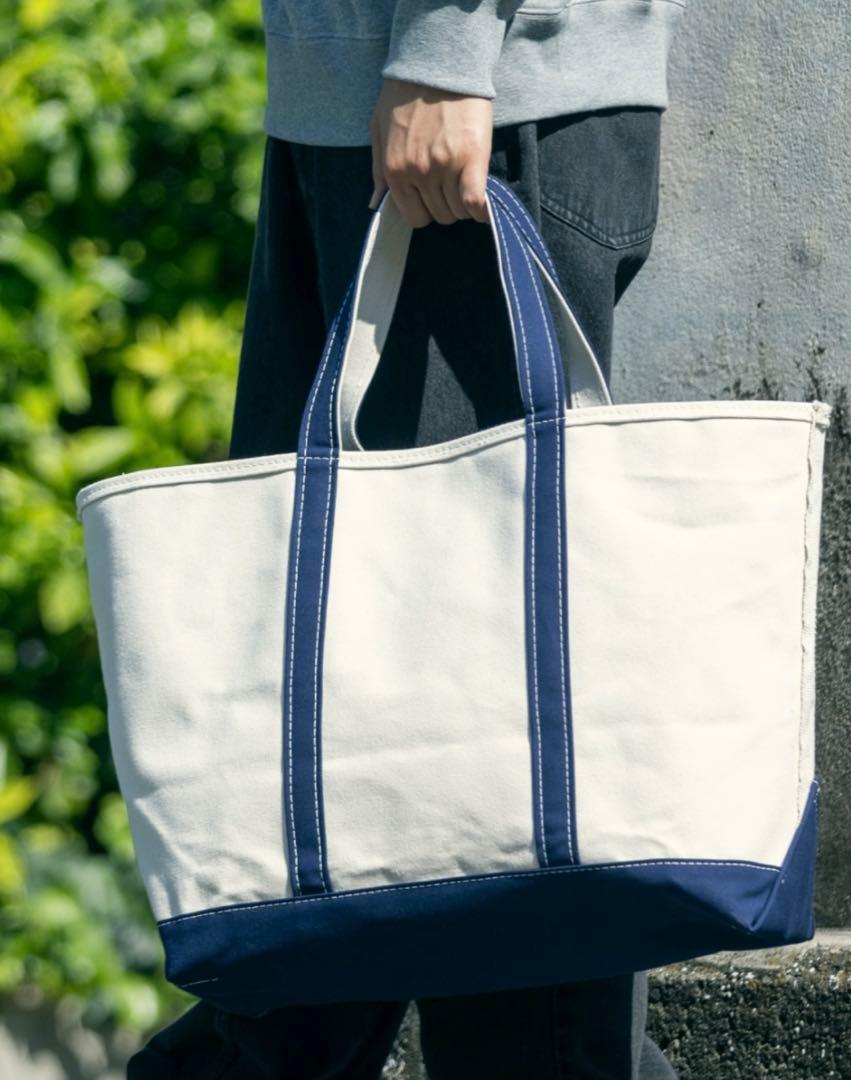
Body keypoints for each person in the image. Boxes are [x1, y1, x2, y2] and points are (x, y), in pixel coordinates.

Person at [129, 1, 685, 1076]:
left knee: (499, 841)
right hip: (346, 106)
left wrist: (446, 43)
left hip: (467, 106)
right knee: (329, 811)